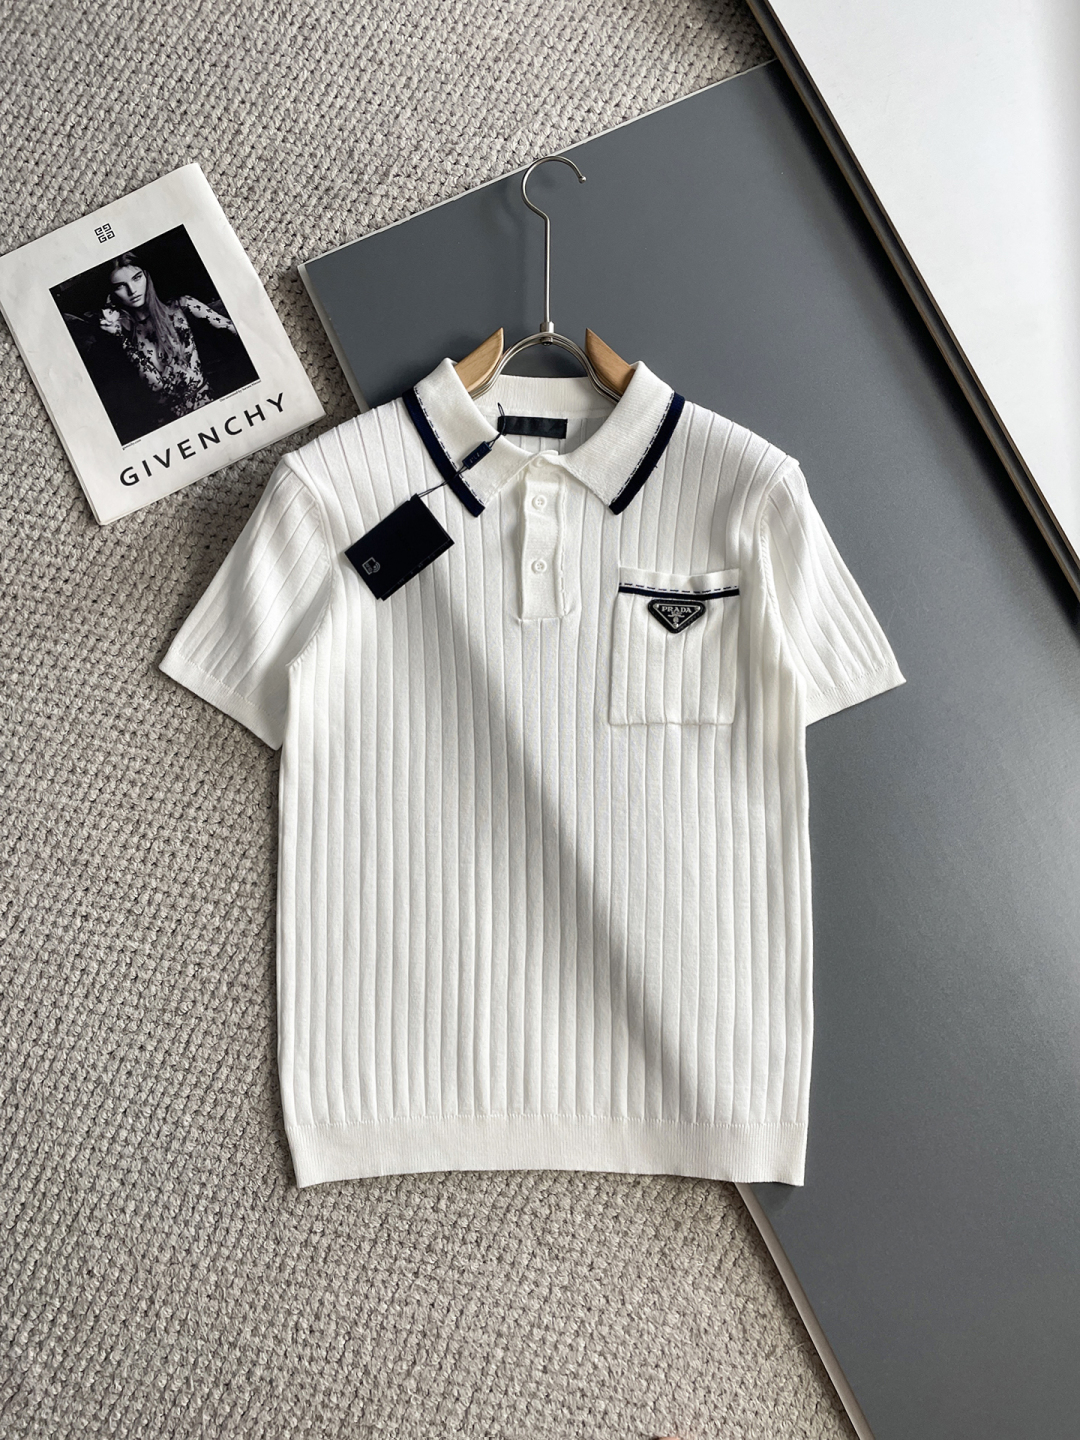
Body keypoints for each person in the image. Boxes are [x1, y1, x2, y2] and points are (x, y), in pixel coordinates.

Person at [95, 252, 241, 422]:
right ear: (111, 293)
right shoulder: (121, 333)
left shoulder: (182, 307)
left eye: (137, 278)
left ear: (147, 276)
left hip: (211, 408)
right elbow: (156, 385)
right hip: (168, 424)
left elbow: (235, 329)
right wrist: (120, 338)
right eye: (120, 286)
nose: (132, 290)